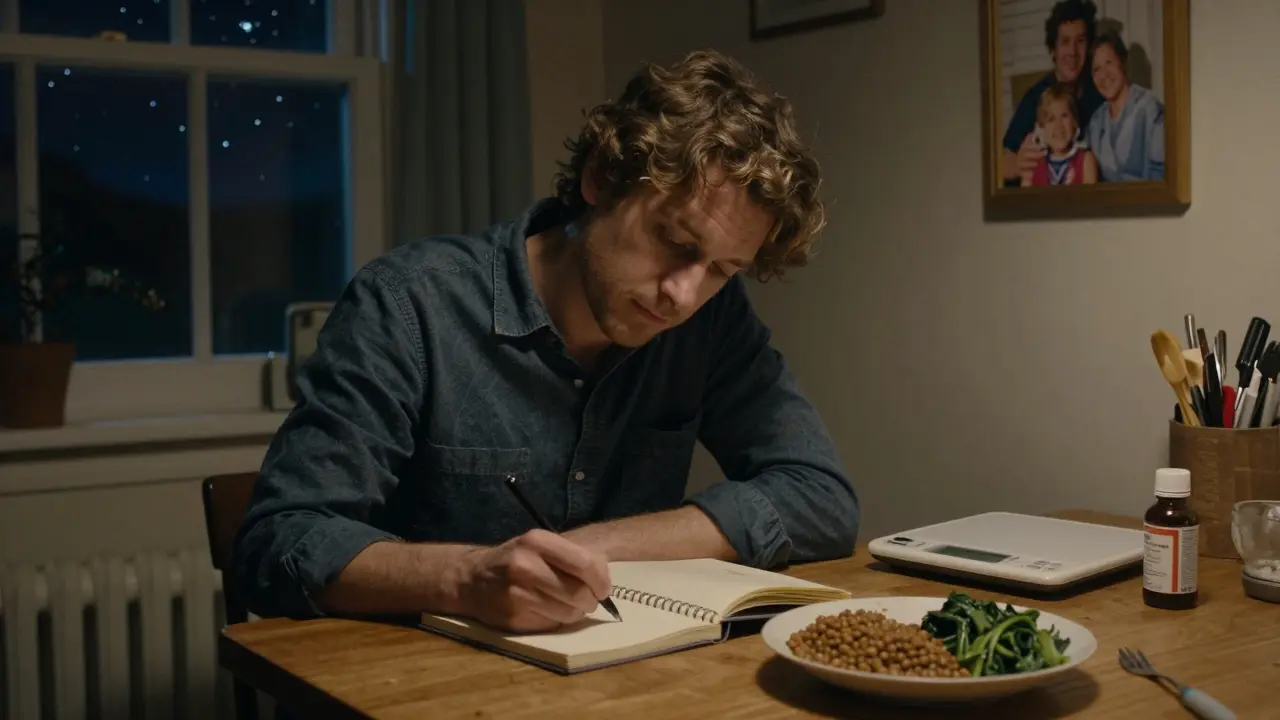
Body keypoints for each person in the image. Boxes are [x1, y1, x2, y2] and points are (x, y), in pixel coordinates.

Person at [231, 49, 859, 634]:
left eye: (723, 270)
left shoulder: (708, 324)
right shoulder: (407, 304)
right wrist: (467, 576)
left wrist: (594, 549)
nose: (684, 296)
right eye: (676, 241)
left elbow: (820, 497)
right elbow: (280, 542)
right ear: (600, 178)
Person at [1001, 0, 1105, 186]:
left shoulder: (1099, 91)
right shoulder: (1036, 98)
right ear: (1053, 50)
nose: (1073, 52)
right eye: (1065, 42)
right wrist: (1018, 165)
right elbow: (1001, 162)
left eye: (1080, 41)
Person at [1086, 31, 1165, 181]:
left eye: (1109, 63)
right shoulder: (1096, 122)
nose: (1104, 75)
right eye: (1096, 69)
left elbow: (1161, 176)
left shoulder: (1150, 109)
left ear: (1122, 62)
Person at [1022, 83, 1097, 186]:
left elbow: (1090, 200)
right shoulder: (1035, 164)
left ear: (1074, 122)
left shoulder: (1085, 160)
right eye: (1051, 119)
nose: (1058, 125)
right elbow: (1025, 200)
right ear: (1041, 128)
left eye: (1064, 116)